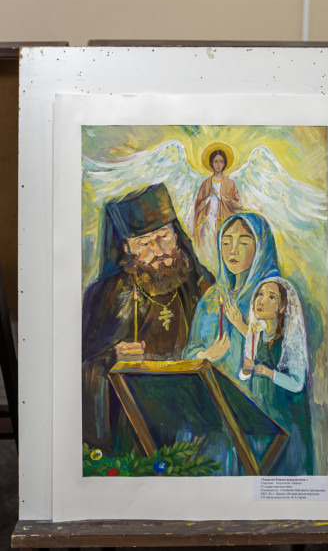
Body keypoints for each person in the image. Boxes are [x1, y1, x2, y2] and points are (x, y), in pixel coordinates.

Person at [82, 182, 214, 449]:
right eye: (144, 243)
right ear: (127, 249)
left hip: (190, 415)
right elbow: (81, 365)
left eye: (164, 235)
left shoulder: (199, 284)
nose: (159, 249)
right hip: (132, 418)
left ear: (176, 234)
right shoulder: (106, 294)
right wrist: (114, 358)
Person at [184, 211, 280, 385]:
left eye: (243, 243)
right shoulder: (212, 297)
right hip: (212, 389)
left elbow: (277, 357)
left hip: (255, 393)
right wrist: (207, 355)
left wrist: (240, 325)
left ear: (260, 248)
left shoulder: (270, 295)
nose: (233, 251)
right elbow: (190, 353)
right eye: (226, 243)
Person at [240, 277, 314, 475]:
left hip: (287, 421)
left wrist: (269, 373)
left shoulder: (290, 340)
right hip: (263, 422)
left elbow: (297, 384)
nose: (261, 300)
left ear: (282, 308)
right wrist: (246, 370)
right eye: (260, 294)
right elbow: (245, 375)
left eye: (271, 297)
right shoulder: (256, 336)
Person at [191, 146, 242, 268]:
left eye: (221, 161)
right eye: (215, 161)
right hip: (208, 223)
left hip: (224, 221)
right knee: (210, 251)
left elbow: (238, 205)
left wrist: (221, 197)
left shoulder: (230, 183)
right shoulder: (205, 183)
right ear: (211, 163)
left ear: (224, 164)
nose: (218, 165)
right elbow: (198, 205)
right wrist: (208, 198)